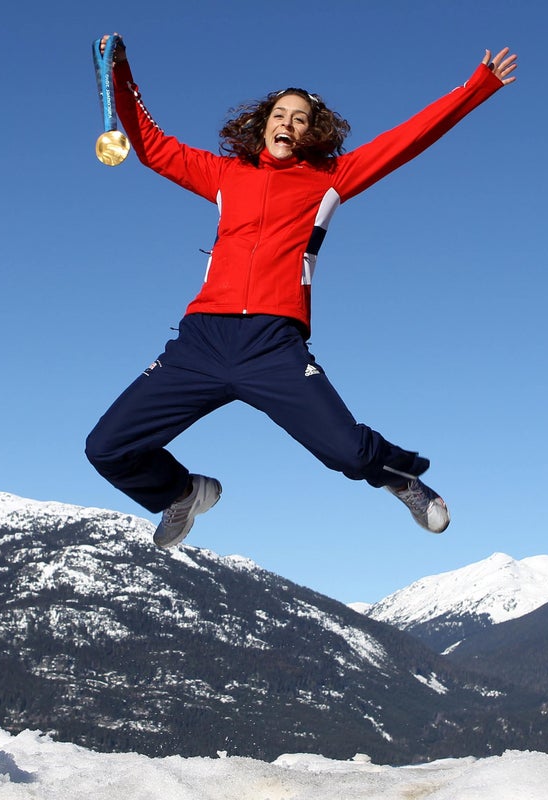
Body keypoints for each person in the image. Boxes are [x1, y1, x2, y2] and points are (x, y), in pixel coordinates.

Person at [86, 35, 518, 548]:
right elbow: (152, 147)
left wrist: (477, 86)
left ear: (313, 133)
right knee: (107, 447)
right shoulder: (226, 174)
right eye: (279, 115)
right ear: (262, 123)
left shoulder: (332, 178)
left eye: (300, 119)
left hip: (273, 346)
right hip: (201, 343)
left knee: (351, 454)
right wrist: (120, 72)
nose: (287, 123)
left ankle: (401, 480)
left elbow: (409, 138)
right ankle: (182, 493)